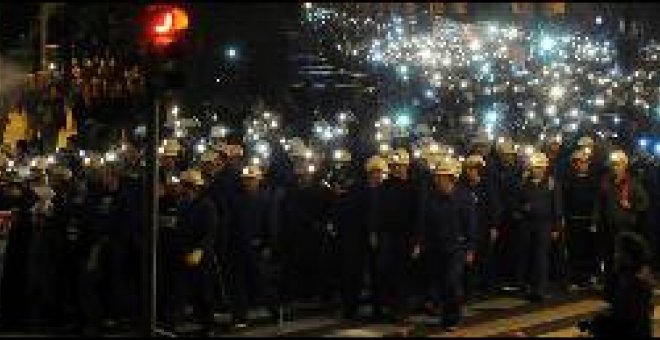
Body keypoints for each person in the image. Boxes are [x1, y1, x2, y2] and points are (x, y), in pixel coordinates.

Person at [418, 156, 476, 330]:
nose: (439, 180)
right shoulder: (432, 197)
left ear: (451, 178)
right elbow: (425, 222)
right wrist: (422, 242)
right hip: (437, 248)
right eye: (438, 177)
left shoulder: (464, 197)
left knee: (452, 282)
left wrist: (470, 249)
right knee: (441, 283)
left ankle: (454, 317)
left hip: (456, 248)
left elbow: (470, 224)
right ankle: (445, 316)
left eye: (442, 177)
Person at [578, 232, 654, 337]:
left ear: (627, 254)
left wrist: (595, 325)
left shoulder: (630, 281)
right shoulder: (635, 275)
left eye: (618, 251)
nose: (615, 255)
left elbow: (624, 321)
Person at [596, 150, 650, 288]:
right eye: (613, 165)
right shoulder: (605, 182)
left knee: (622, 260)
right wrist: (595, 220)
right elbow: (599, 203)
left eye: (617, 164)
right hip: (608, 227)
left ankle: (622, 289)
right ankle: (609, 288)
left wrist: (631, 206)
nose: (615, 167)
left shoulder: (633, 183)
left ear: (624, 165)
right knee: (608, 258)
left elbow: (645, 202)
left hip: (626, 229)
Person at [376, 148, 418, 323]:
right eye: (394, 166)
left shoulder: (413, 188)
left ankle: (401, 309)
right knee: (386, 271)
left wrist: (417, 240)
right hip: (387, 235)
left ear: (406, 167)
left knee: (403, 274)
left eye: (400, 166)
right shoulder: (385, 187)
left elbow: (418, 215)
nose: (397, 169)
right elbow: (378, 211)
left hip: (406, 237)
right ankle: (389, 305)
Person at [514, 152, 562, 302]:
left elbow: (557, 206)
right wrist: (522, 209)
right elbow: (516, 203)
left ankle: (539, 289)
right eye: (535, 167)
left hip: (544, 225)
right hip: (527, 225)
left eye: (541, 168)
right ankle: (527, 286)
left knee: (541, 258)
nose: (538, 170)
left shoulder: (551, 183)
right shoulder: (523, 182)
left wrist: (556, 228)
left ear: (545, 168)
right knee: (526, 257)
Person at [177, 169, 218, 336]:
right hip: (187, 251)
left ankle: (209, 324)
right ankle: (200, 319)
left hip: (202, 254)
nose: (183, 189)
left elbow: (210, 231)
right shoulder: (184, 204)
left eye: (185, 186)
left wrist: (200, 249)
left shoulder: (206, 205)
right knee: (193, 290)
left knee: (204, 290)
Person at [461, 154, 500, 298]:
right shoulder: (463, 187)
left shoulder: (487, 186)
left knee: (486, 259)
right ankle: (470, 289)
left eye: (473, 169)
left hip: (484, 227)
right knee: (470, 260)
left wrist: (494, 226)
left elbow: (495, 206)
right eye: (468, 169)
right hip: (470, 229)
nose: (470, 172)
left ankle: (487, 288)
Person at [562, 149, 600, 290]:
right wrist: (564, 218)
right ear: (574, 164)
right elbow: (564, 201)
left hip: (589, 221)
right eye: (579, 162)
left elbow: (597, 201)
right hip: (574, 220)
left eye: (585, 162)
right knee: (574, 250)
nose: (583, 164)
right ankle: (575, 278)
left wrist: (594, 220)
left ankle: (589, 277)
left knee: (589, 250)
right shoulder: (569, 180)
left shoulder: (593, 180)